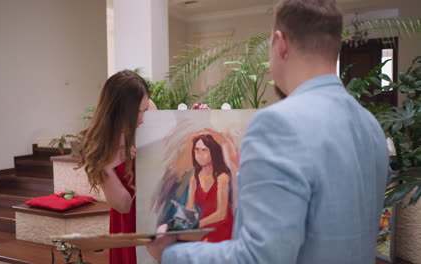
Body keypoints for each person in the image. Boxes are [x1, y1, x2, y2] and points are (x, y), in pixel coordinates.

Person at [146, 0, 389, 263]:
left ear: (280, 42)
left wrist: (171, 253)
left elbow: (258, 258)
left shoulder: (278, 124)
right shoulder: (370, 126)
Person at [79, 70, 155, 264]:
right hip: (130, 221)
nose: (143, 119)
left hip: (156, 211)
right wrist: (107, 168)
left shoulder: (149, 112)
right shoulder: (103, 143)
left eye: (145, 110)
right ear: (118, 110)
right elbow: (123, 205)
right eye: (137, 112)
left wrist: (195, 118)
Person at [186, 133, 233, 242]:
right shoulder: (194, 178)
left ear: (213, 152)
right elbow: (190, 206)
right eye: (196, 150)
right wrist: (185, 220)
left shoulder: (222, 177)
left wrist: (197, 225)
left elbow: (221, 214)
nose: (199, 154)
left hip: (223, 225)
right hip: (204, 225)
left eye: (204, 150)